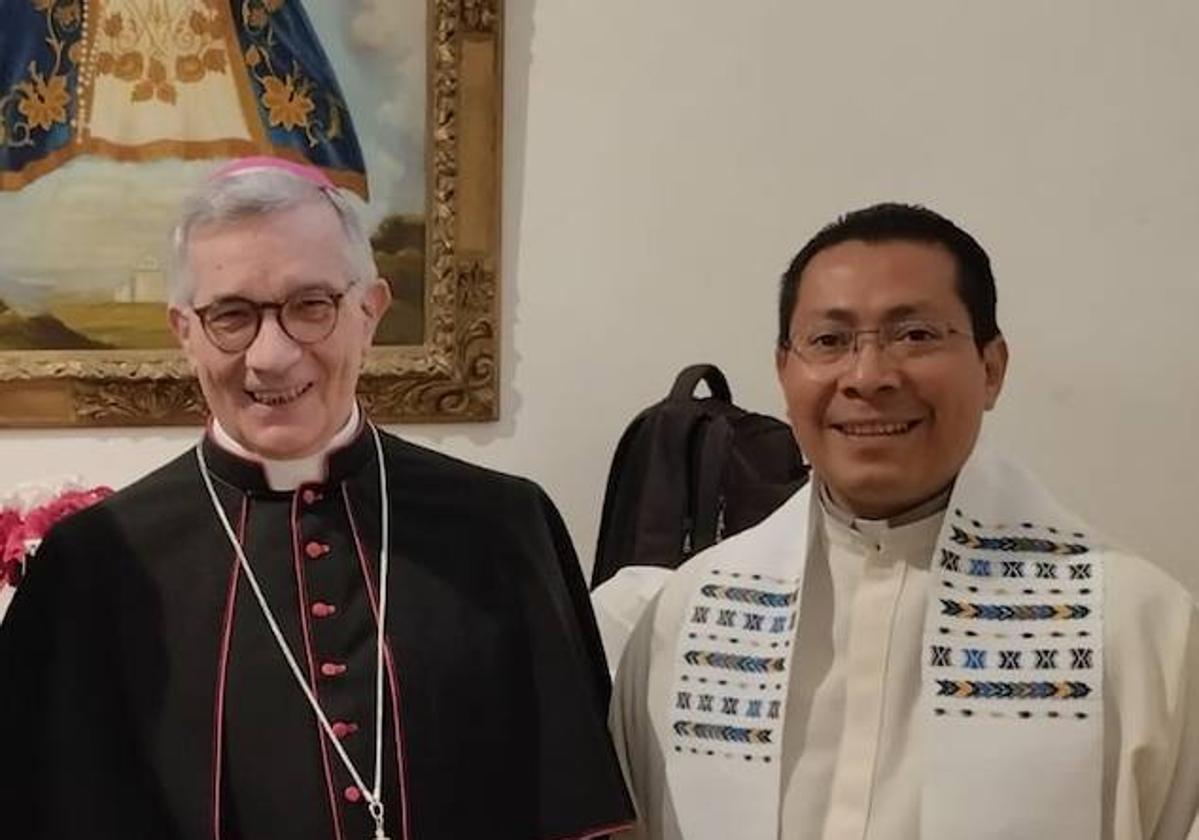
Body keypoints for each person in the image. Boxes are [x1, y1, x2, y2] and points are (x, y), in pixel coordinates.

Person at [0, 157, 633, 839]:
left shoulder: (502, 527)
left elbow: (578, 813)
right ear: (184, 332)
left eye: (310, 306)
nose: (271, 356)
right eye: (232, 316)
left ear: (369, 313)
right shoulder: (95, 564)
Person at [609, 203, 1199, 839]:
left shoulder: (1141, 626)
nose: (868, 376)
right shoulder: (689, 616)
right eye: (830, 341)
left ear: (992, 368)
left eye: (915, 335)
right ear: (785, 371)